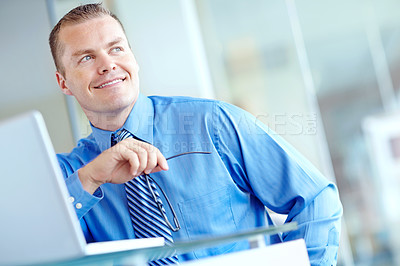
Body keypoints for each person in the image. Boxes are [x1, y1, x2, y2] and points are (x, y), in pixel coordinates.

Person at [50, 3, 342, 265]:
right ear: (63, 82)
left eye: (116, 48)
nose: (107, 65)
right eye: (86, 58)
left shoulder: (212, 124)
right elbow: (35, 251)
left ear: (133, 58)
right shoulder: (67, 177)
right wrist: (89, 178)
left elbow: (316, 198)